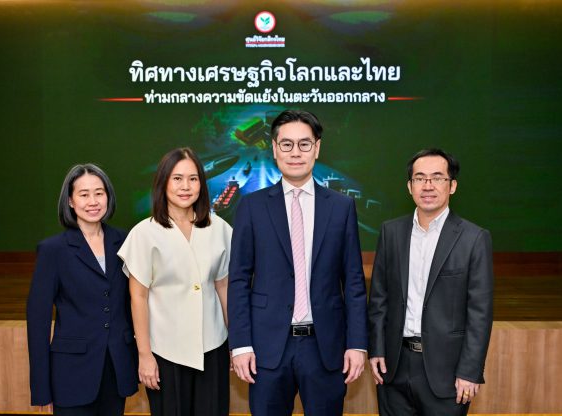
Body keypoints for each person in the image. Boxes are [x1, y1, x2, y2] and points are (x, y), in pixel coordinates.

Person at [228, 109, 368, 416]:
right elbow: (238, 280)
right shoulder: (251, 207)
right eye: (287, 144)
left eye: (304, 144)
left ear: (317, 148)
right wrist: (241, 345)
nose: (295, 152)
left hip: (325, 347)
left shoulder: (341, 207)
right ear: (274, 148)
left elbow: (354, 281)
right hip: (266, 349)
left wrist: (357, 344)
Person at [368, 148, 494, 416]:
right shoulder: (391, 232)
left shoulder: (474, 238)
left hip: (447, 373)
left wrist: (470, 371)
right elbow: (379, 298)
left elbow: (480, 313)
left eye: (437, 178)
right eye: (419, 178)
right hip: (394, 367)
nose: (428, 186)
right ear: (409, 186)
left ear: (452, 186)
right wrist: (376, 349)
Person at [117, 147, 231, 416]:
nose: (186, 186)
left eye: (193, 179)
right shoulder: (144, 233)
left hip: (213, 346)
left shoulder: (219, 228)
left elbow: (224, 287)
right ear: (163, 182)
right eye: (177, 178)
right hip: (165, 351)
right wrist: (144, 355)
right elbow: (138, 297)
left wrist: (235, 342)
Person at [26, 164, 138, 415]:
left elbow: (133, 302)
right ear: (70, 201)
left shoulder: (125, 241)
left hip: (116, 370)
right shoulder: (53, 250)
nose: (93, 201)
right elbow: (38, 320)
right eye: (84, 194)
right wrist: (41, 387)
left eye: (99, 193)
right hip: (70, 374)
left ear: (108, 196)